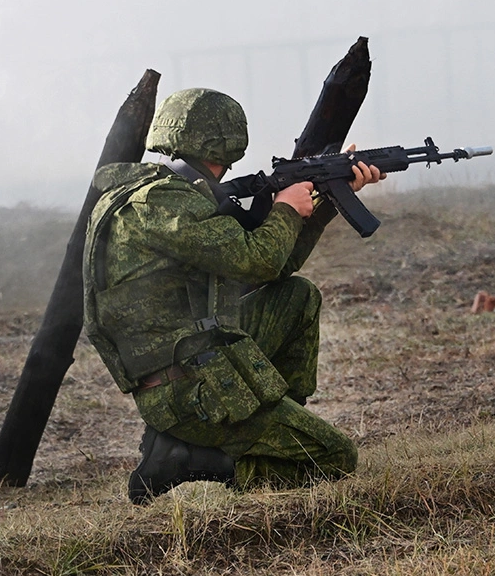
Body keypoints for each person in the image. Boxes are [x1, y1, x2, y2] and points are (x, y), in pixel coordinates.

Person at [82, 87, 384, 503]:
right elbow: (257, 260)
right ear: (222, 143)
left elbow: (276, 265)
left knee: (295, 297)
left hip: (197, 358)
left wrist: (327, 197)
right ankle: (187, 457)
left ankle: (272, 430)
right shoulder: (165, 204)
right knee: (332, 459)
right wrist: (285, 209)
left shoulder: (155, 193)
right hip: (187, 389)